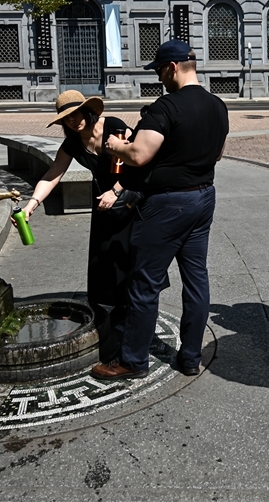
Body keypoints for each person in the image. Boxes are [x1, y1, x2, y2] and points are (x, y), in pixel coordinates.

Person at [94, 40, 229, 378]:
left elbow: (139, 155)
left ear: (171, 69)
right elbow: (218, 154)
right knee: (196, 279)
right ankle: (190, 358)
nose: (158, 78)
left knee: (144, 283)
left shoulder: (165, 107)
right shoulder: (218, 105)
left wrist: (115, 147)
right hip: (203, 197)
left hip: (168, 204)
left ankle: (133, 361)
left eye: (158, 71)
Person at [17, 91, 137, 334]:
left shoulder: (114, 126)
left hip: (127, 195)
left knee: (127, 255)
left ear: (87, 110)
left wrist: (115, 190)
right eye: (66, 118)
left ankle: (132, 312)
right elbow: (53, 173)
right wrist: (31, 205)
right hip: (102, 201)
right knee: (102, 257)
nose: (73, 120)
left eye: (76, 113)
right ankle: (109, 313)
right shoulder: (72, 141)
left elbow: (139, 160)